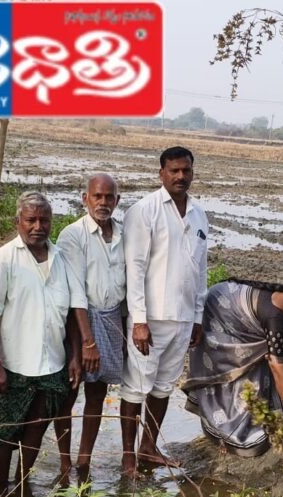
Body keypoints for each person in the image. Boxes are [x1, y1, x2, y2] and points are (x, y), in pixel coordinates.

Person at [0, 192, 87, 497]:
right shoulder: (2, 259)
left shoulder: (62, 259)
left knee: (37, 428)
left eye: (44, 220)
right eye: (31, 220)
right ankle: (2, 487)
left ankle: (22, 482)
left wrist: (75, 356)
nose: (38, 226)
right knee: (6, 430)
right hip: (14, 364)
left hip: (52, 362)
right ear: (18, 222)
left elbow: (72, 312)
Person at [120, 147, 208, 475]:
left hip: (183, 318)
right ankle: (127, 456)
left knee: (163, 386)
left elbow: (200, 269)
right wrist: (139, 320)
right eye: (174, 170)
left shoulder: (198, 214)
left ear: (192, 172)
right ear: (162, 174)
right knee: (136, 387)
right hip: (151, 318)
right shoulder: (144, 211)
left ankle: (148, 448)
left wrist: (197, 317)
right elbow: (135, 268)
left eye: (186, 170)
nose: (180, 176)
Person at [182, 275, 283, 456]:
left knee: (260, 365)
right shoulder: (275, 317)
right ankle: (225, 428)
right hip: (223, 309)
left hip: (247, 315)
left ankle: (252, 414)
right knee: (236, 368)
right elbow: (278, 370)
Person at [56, 174, 127, 484]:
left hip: (112, 319)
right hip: (80, 322)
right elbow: (75, 292)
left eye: (109, 197)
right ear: (85, 198)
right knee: (69, 393)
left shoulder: (124, 234)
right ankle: (64, 461)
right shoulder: (73, 235)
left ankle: (84, 460)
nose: (103, 202)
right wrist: (86, 342)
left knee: (97, 394)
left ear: (117, 201)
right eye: (97, 196)